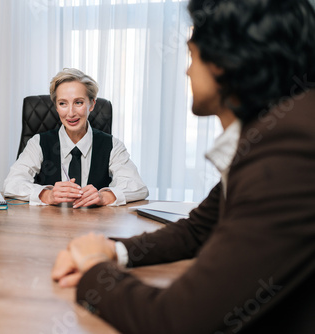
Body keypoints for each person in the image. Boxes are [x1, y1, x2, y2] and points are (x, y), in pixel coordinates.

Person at [51, 0, 315, 333]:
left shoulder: (291, 149)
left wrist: (92, 268)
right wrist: (112, 250)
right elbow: (198, 231)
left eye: (192, 55)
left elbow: (176, 320)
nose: (188, 70)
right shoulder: (277, 132)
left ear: (224, 60)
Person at [3, 68, 148, 208]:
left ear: (91, 104)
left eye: (78, 102)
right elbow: (12, 183)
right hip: (48, 226)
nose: (71, 113)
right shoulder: (38, 143)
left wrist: (104, 197)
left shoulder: (112, 145)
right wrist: (47, 195)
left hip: (96, 226)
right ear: (56, 107)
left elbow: (138, 187)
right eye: (63, 104)